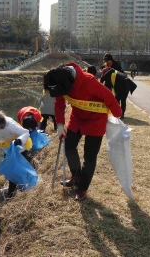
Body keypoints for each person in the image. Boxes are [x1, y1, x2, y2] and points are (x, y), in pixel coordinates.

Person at [44, 63, 122, 201]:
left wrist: (117, 114)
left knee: (89, 156)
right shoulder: (60, 81)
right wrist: (60, 124)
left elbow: (108, 97)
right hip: (77, 117)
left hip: (95, 120)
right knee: (69, 147)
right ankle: (76, 176)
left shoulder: (88, 81)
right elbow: (59, 104)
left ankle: (82, 188)